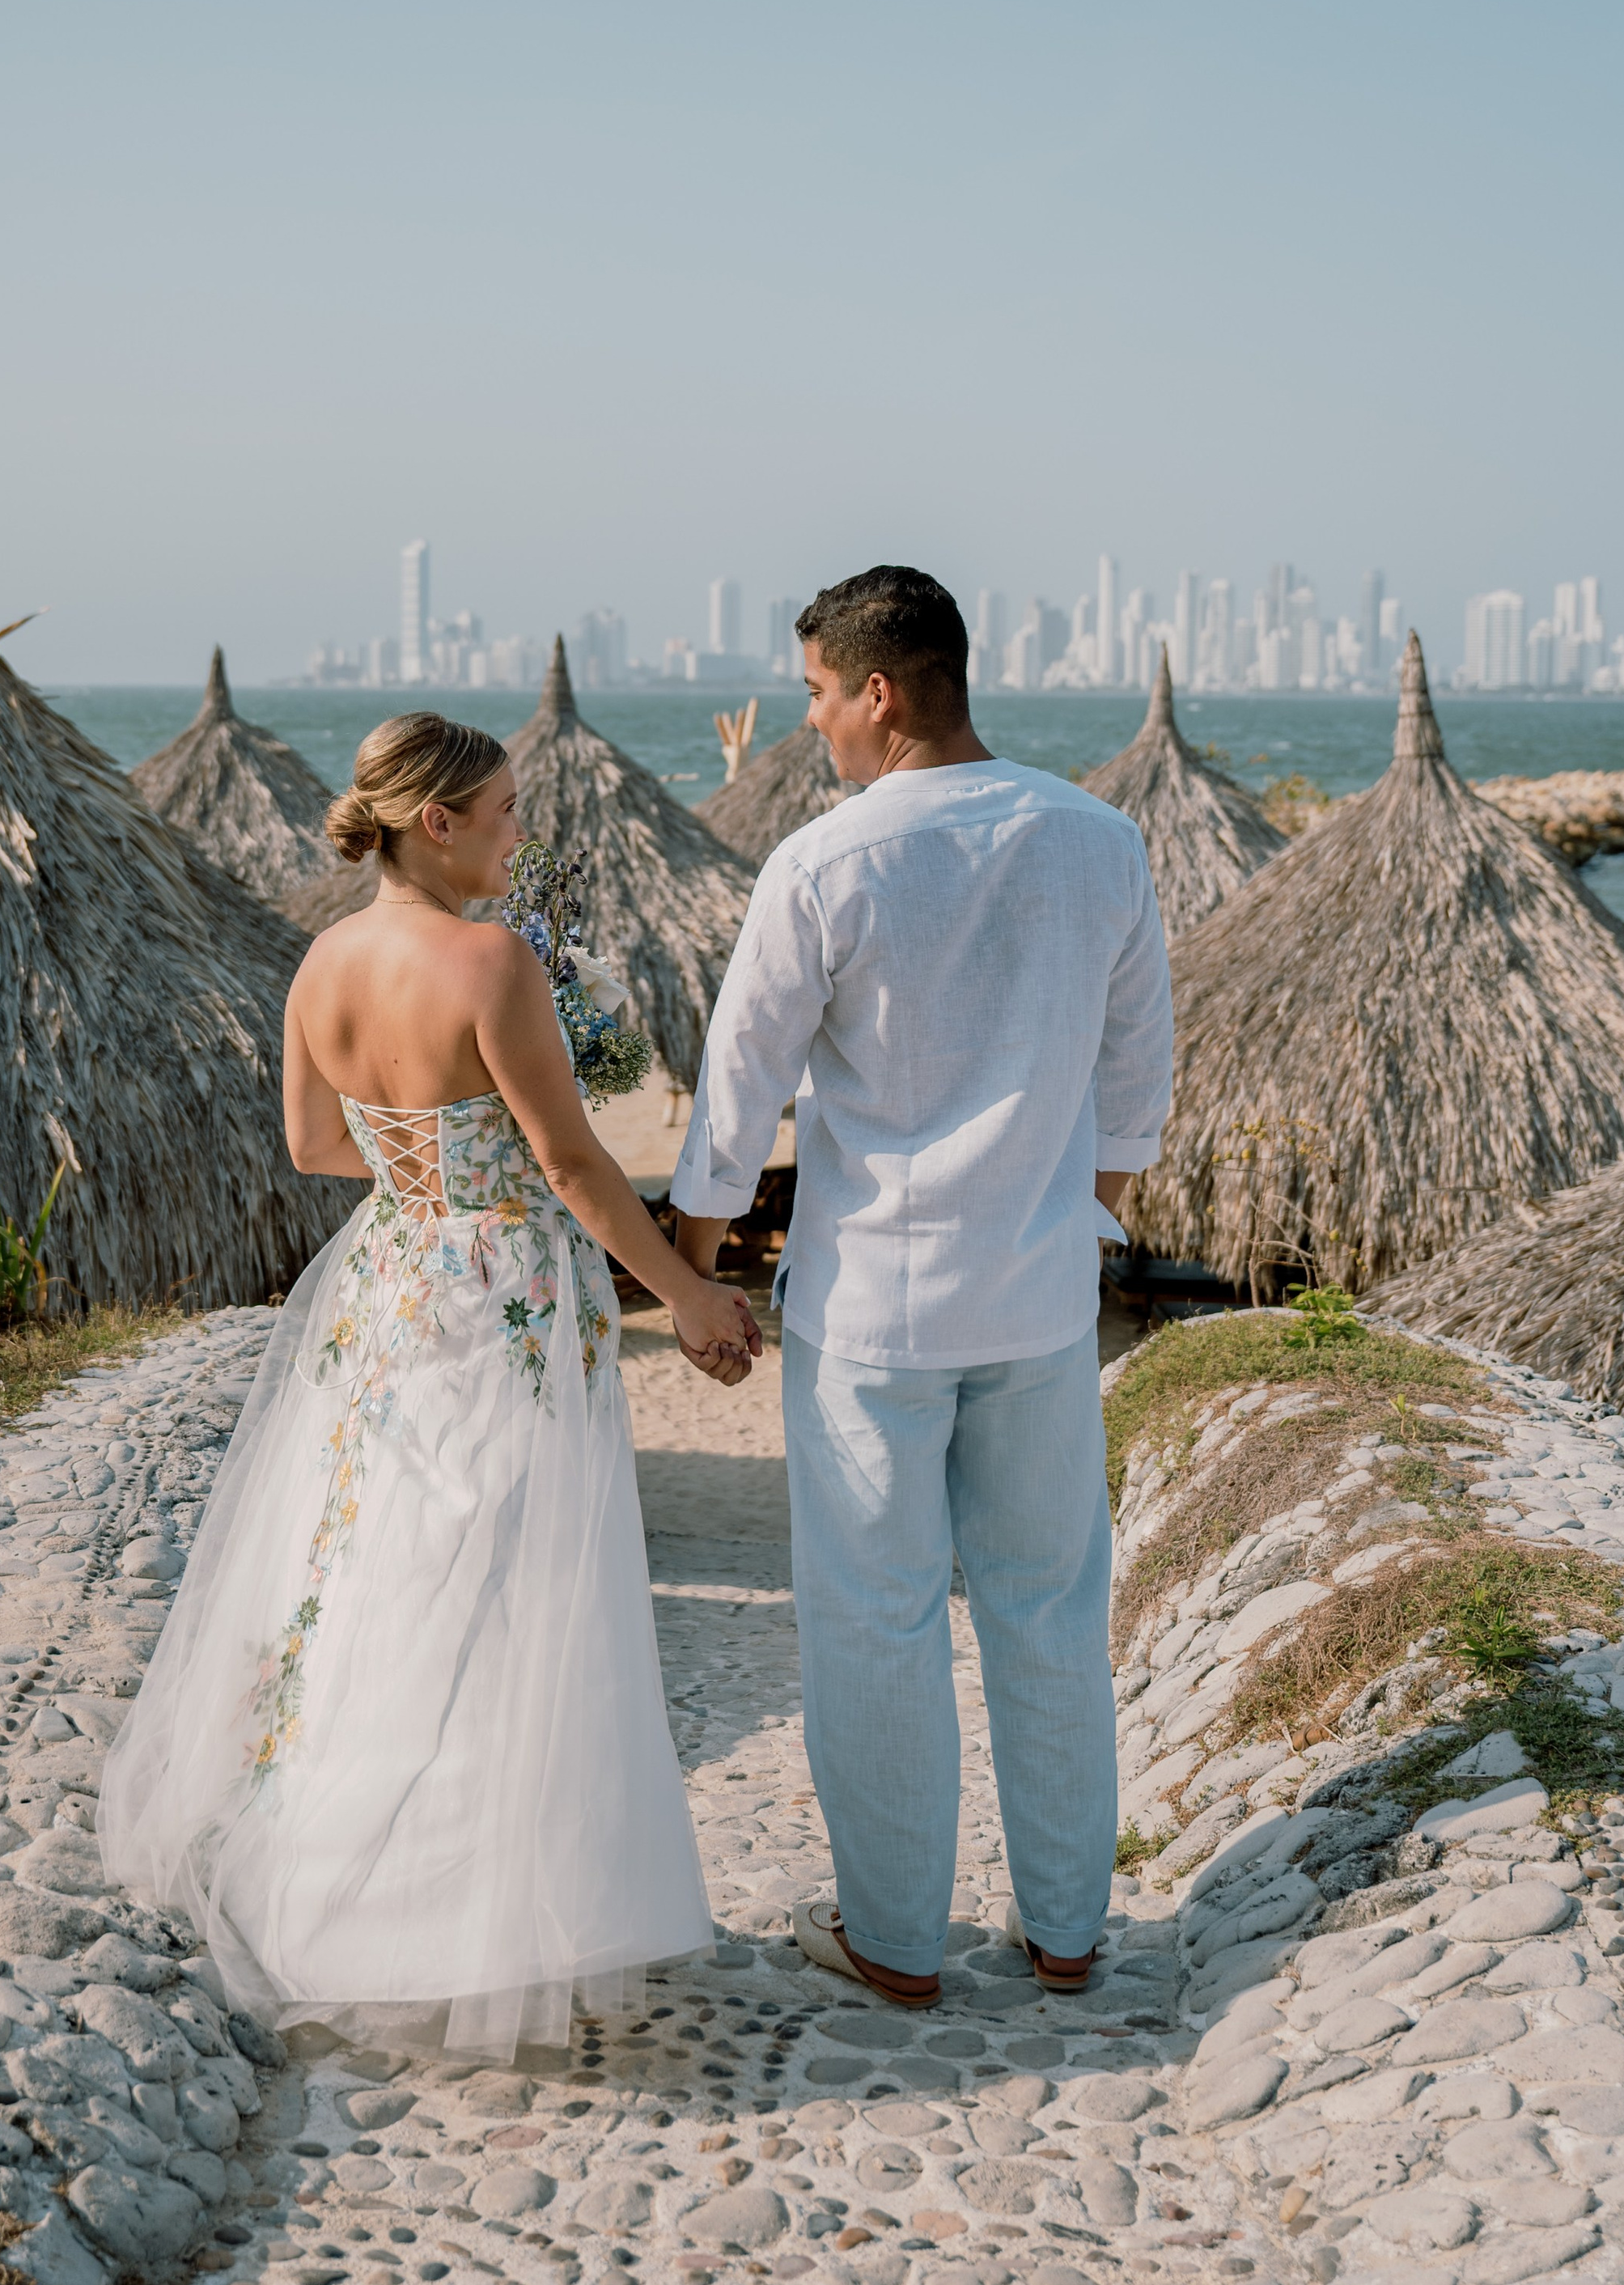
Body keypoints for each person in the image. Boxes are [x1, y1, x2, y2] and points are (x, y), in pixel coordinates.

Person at [97, 712, 759, 2058]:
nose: (522, 833)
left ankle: (340, 1902)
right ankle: (488, 1921)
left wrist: (430, 1167)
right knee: (512, 1583)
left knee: (381, 1567)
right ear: (435, 822)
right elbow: (571, 1165)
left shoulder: (322, 963)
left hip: (392, 1283)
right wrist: (686, 1296)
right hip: (508, 1291)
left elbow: (312, 1142)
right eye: (505, 811)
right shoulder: (492, 962)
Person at [669, 566, 1172, 2008]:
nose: (813, 721)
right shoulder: (1100, 840)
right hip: (1040, 1302)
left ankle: (893, 1941)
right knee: (1050, 1609)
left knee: (876, 1621)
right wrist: (1080, 1226)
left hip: (874, 1314)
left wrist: (695, 1278)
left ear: (879, 692)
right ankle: (1066, 1929)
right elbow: (1139, 1074)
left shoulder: (824, 863)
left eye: (819, 693)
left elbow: (738, 1091)